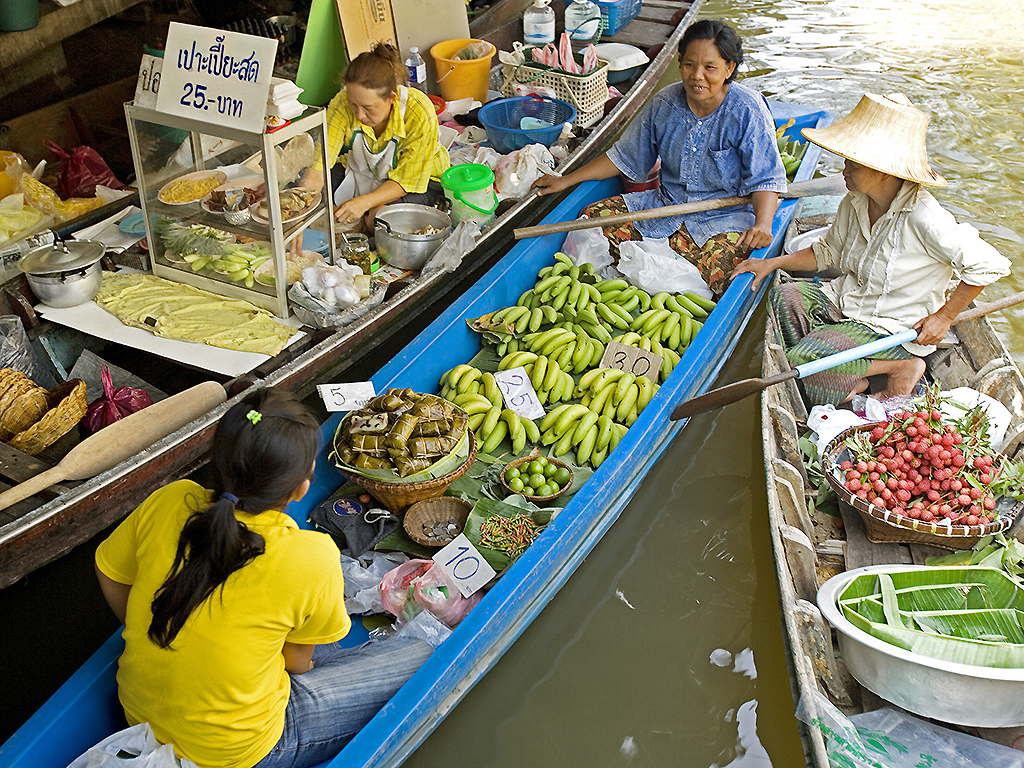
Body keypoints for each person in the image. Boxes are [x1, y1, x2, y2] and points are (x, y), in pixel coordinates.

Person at [94, 389, 432, 768]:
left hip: (139, 714)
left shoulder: (170, 499)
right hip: (240, 752)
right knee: (420, 656)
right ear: (303, 486)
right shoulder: (309, 556)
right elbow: (297, 664)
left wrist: (154, 623)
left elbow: (109, 573)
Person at [732, 92, 1011, 406]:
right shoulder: (855, 202)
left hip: (894, 328)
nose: (844, 171)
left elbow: (988, 265)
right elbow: (828, 253)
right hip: (851, 305)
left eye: (853, 163)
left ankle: (899, 367)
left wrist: (944, 318)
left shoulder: (924, 217)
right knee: (785, 298)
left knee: (806, 361)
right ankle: (845, 376)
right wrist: (771, 264)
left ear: (883, 169)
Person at [533, 19, 786, 296]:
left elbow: (766, 178)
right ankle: (656, 272)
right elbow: (624, 157)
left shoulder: (747, 109)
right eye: (689, 64)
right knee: (592, 220)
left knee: (728, 269)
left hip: (724, 219)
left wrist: (762, 224)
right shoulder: (664, 104)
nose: (697, 76)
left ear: (729, 69)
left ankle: (663, 275)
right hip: (664, 207)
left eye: (710, 67)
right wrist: (566, 180)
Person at [300, 43, 450, 233]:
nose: (360, 115)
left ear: (391, 98)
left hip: (417, 182)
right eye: (353, 105)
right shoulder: (342, 103)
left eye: (368, 108)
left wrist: (364, 203)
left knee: (379, 221)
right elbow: (319, 166)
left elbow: (408, 181)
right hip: (364, 172)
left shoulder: (418, 111)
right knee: (313, 198)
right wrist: (299, 218)